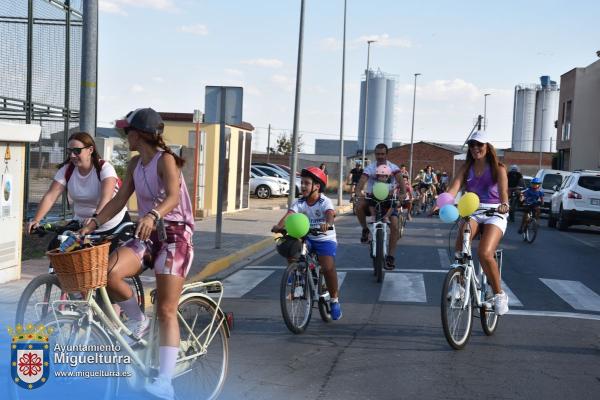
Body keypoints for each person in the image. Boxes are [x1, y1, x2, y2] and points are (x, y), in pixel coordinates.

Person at [80, 108, 194, 399]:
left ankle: (165, 382)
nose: (124, 136)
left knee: (167, 309)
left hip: (175, 235)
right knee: (107, 272)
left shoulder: (165, 160)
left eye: (126, 131)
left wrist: (153, 214)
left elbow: (171, 196)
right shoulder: (134, 164)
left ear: (140, 133)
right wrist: (92, 223)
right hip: (147, 233)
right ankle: (139, 321)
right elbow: (119, 199)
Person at [27, 132, 129, 251]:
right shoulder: (67, 170)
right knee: (56, 248)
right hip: (82, 226)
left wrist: (95, 219)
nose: (72, 155)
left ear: (90, 150)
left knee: (108, 267)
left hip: (111, 225)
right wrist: (36, 220)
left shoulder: (104, 169)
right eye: (69, 151)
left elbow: (106, 198)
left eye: (76, 151)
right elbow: (51, 196)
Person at [445, 131, 510, 316]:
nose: (475, 148)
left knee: (484, 252)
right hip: (472, 210)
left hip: (494, 212)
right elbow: (453, 188)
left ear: (487, 147)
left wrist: (504, 205)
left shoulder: (498, 168)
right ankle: (460, 285)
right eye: (472, 145)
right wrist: (440, 203)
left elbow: (504, 192)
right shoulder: (466, 167)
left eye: (479, 145)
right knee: (460, 247)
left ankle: (499, 294)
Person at [271, 166, 342, 320]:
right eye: (301, 183)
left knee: (327, 267)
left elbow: (330, 214)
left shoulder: (324, 201)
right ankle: (297, 274)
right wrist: (279, 226)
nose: (302, 186)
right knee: (290, 245)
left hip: (324, 237)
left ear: (316, 186)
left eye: (306, 183)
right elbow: (289, 216)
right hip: (308, 237)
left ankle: (335, 300)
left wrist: (327, 224)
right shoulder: (300, 202)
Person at [354, 143, 405, 269]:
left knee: (394, 224)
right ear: (375, 154)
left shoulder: (393, 167)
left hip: (388, 200)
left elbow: (401, 181)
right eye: (377, 154)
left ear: (386, 154)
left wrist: (403, 194)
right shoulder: (370, 168)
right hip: (372, 198)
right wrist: (358, 192)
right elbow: (361, 182)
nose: (380, 156)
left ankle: (391, 257)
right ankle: (365, 229)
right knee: (359, 206)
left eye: (382, 154)